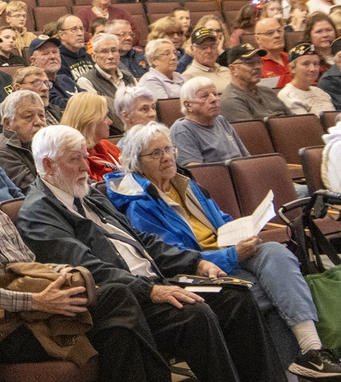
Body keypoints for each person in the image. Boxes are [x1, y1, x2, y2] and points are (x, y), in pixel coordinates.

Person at [17, 125, 288, 382]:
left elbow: (142, 240)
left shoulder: (86, 194)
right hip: (125, 301)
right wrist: (150, 291)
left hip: (154, 282)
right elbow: (87, 268)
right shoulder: (38, 213)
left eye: (84, 158)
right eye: (75, 160)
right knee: (195, 315)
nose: (84, 167)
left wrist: (195, 262)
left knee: (236, 297)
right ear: (48, 165)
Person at [106, 122, 341, 378]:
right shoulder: (139, 205)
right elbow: (170, 257)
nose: (166, 157)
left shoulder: (184, 183)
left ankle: (311, 351)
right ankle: (301, 365)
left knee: (275, 251)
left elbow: (221, 219)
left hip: (229, 252)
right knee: (273, 293)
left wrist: (243, 231)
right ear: (136, 162)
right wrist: (232, 255)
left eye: (168, 149)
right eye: (156, 153)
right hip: (201, 271)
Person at [0, 144, 169, 379]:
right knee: (117, 319)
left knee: (117, 309)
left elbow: (30, 264)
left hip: (40, 312)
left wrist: (65, 273)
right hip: (2, 327)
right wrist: (36, 302)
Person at [170, 77, 249, 166]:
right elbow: (196, 170)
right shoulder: (182, 130)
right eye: (205, 96)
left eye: (215, 94)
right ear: (188, 105)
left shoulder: (220, 120)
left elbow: (246, 157)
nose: (214, 99)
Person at [76, 32, 135, 134]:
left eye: (114, 50)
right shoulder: (86, 81)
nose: (110, 56)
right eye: (104, 51)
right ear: (94, 56)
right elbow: (99, 116)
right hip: (112, 136)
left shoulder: (129, 77)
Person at [0, 90, 47, 192]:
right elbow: (37, 193)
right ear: (8, 123)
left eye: (41, 115)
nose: (38, 122)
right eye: (28, 117)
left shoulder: (47, 144)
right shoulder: (2, 154)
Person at [220, 43, 292, 122]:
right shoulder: (231, 100)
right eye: (249, 63)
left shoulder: (268, 91)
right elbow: (252, 132)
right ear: (233, 69)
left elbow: (293, 120)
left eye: (259, 62)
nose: (257, 67)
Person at [61, 92, 121, 181]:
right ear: (90, 122)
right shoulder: (74, 160)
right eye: (104, 117)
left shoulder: (107, 145)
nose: (110, 122)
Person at [277, 43, 333, 115]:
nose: (312, 69)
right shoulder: (288, 95)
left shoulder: (320, 92)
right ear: (292, 68)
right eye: (306, 64)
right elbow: (308, 124)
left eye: (315, 64)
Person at [182, 26, 232, 92]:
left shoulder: (226, 70)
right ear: (192, 49)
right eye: (203, 47)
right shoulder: (189, 77)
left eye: (213, 46)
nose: (209, 51)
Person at [252, 16, 292, 88]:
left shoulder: (292, 58)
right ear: (257, 39)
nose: (277, 35)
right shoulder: (255, 65)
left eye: (279, 31)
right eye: (270, 33)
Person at [55, 15, 94, 81]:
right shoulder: (58, 61)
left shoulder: (89, 57)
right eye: (74, 29)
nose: (80, 33)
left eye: (81, 29)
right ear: (62, 35)